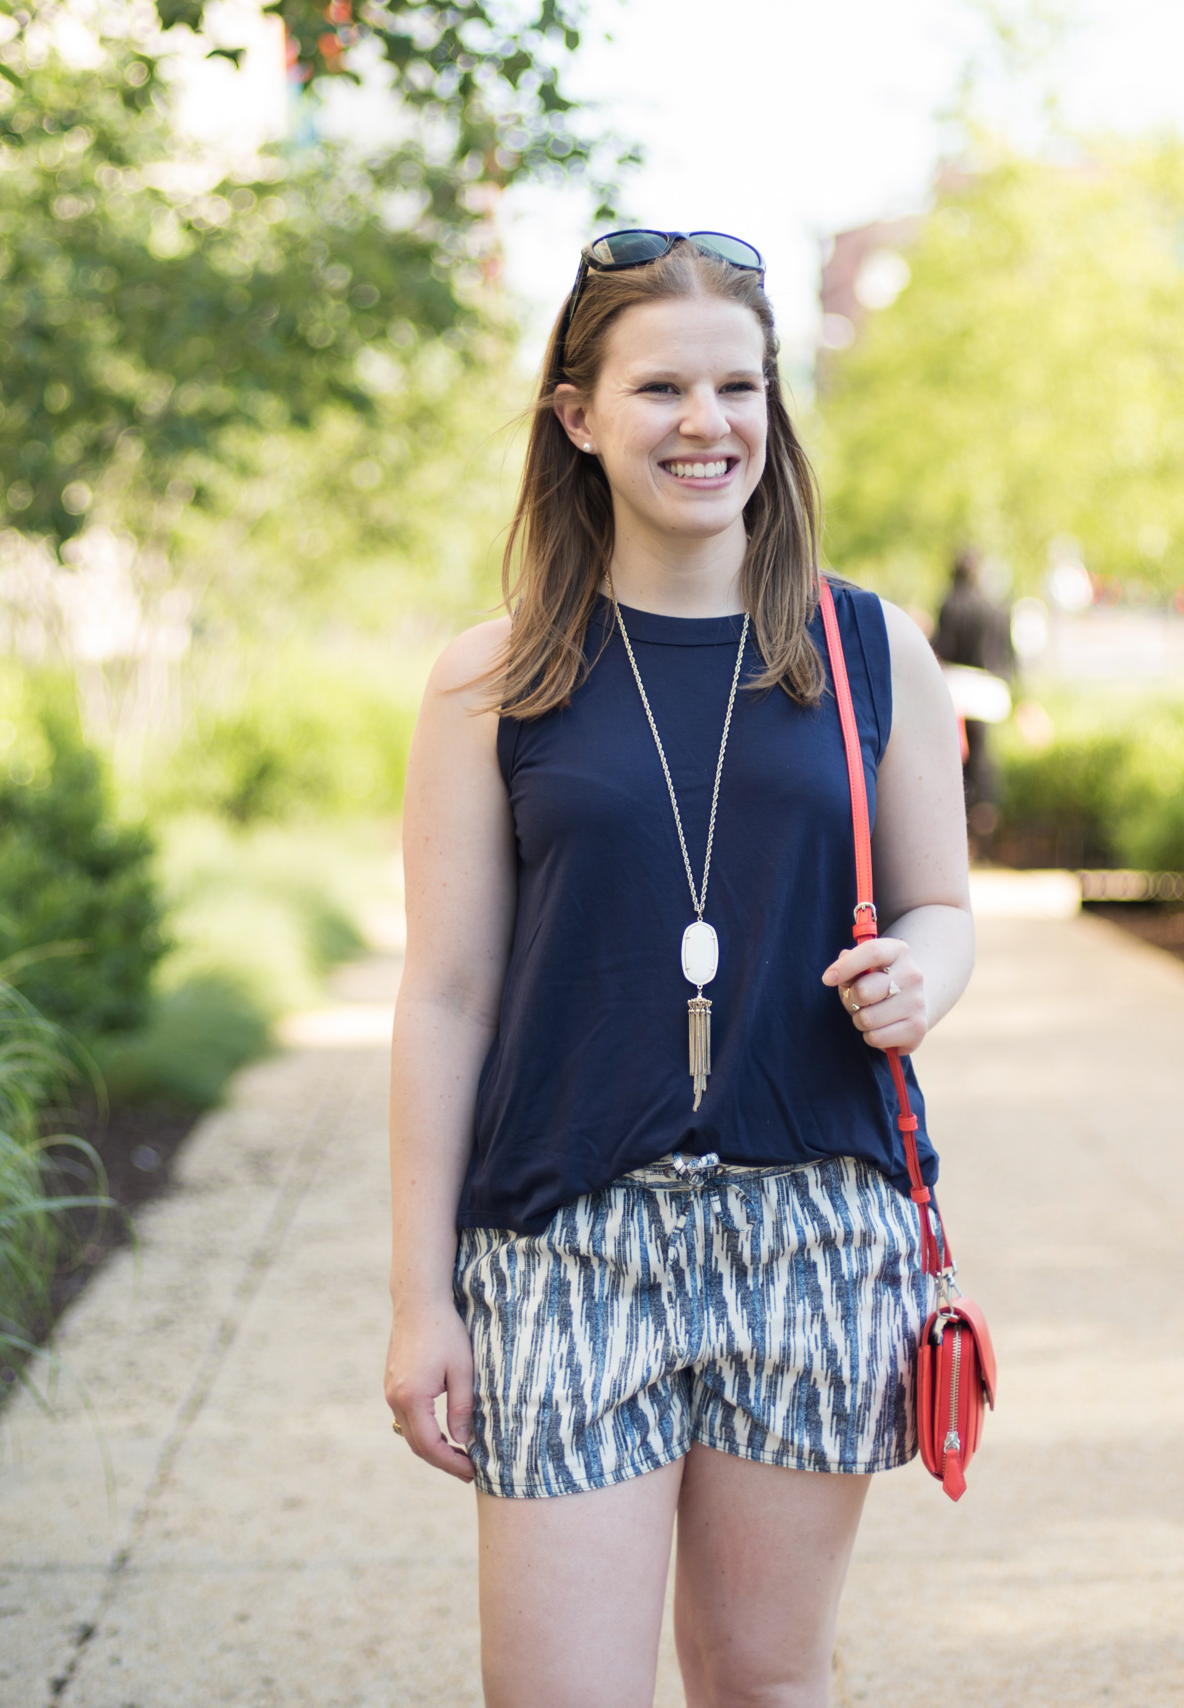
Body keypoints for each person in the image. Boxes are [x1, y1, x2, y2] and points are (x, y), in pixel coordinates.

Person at [384, 229, 974, 1708]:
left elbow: (944, 903)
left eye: (739, 385)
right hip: (564, 1239)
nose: (708, 423)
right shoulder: (491, 675)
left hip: (817, 1225)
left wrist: (925, 970)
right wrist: (418, 1296)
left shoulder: (870, 648)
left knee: (766, 1683)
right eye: (661, 388)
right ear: (577, 413)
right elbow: (446, 993)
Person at [929, 547, 1016, 835]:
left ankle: (966, 816)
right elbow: (1009, 655)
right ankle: (987, 809)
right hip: (991, 689)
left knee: (961, 754)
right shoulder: (995, 607)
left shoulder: (950, 605)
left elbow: (943, 649)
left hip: (959, 689)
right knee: (984, 752)